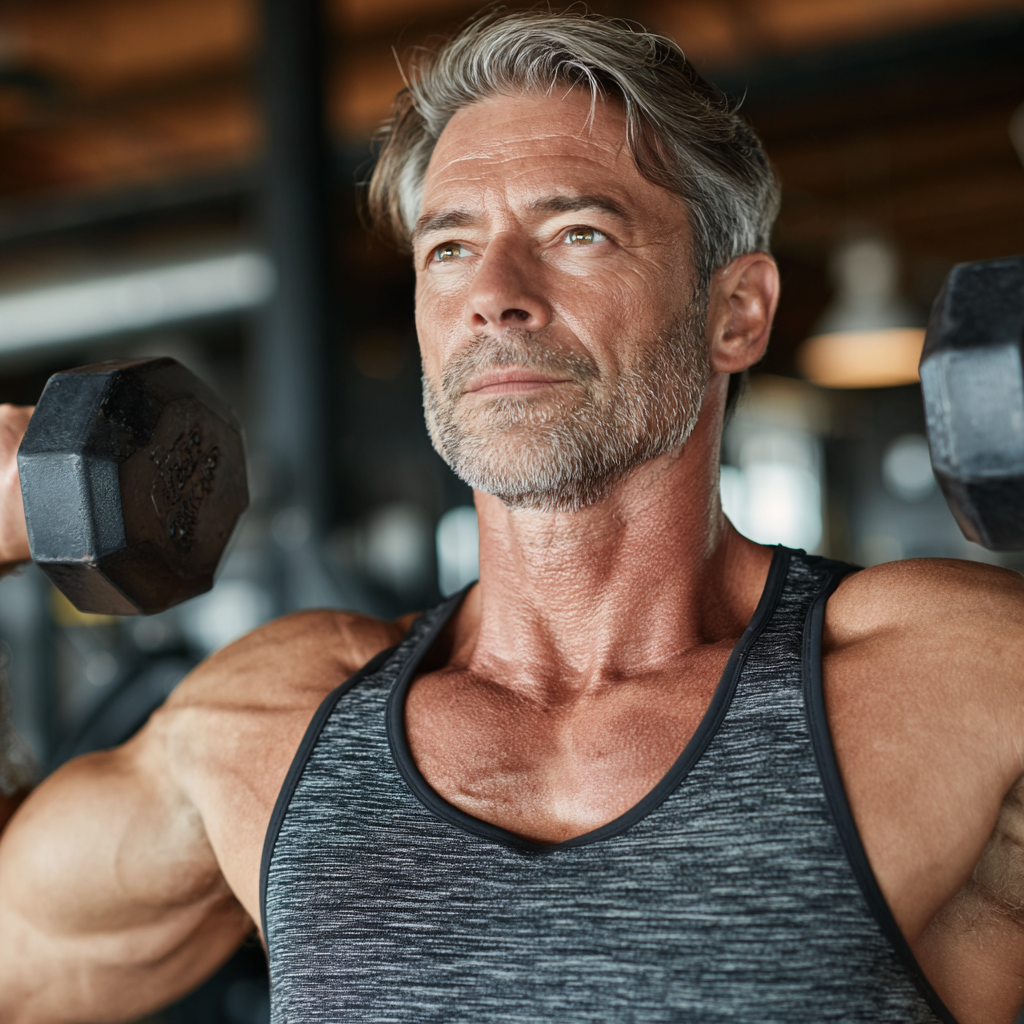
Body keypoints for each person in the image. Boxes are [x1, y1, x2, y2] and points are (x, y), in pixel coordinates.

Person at [0, 11, 1021, 1024]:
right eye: (449, 248)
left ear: (736, 312)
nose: (494, 295)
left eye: (577, 232)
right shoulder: (267, 728)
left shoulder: (945, 681)